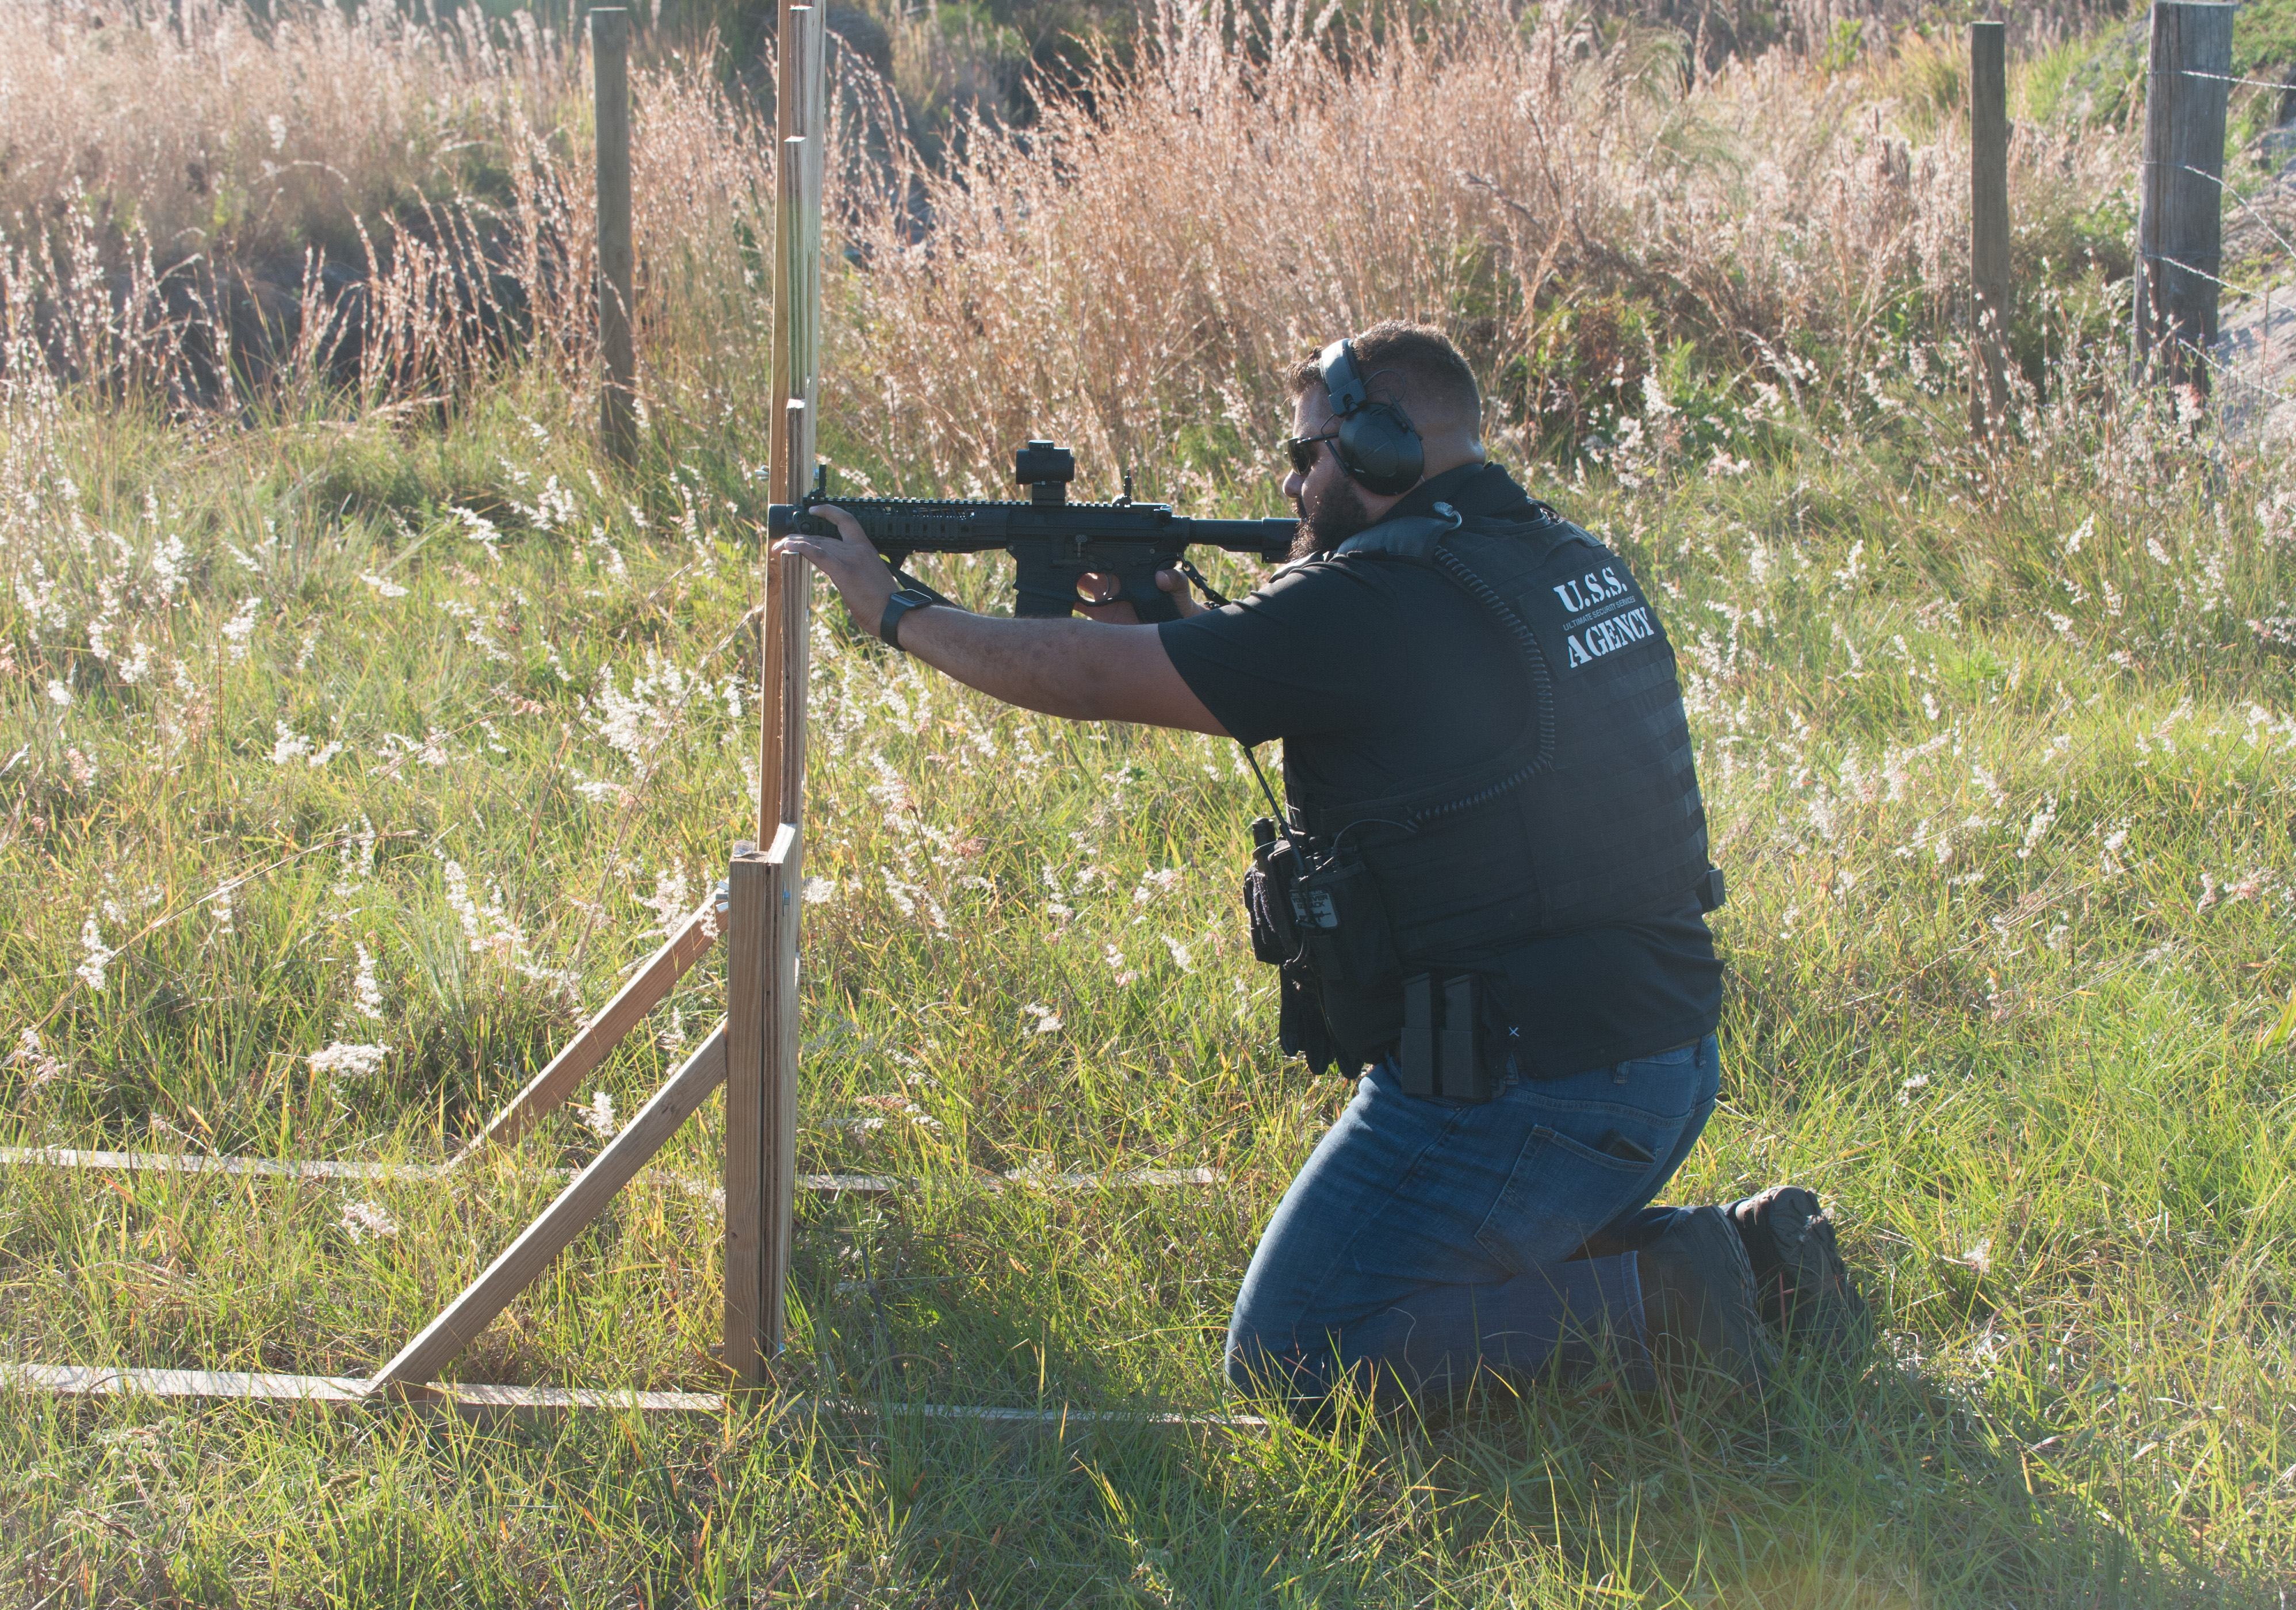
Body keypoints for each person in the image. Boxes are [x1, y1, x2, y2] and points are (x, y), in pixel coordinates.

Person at [777, 322, 1868, 1421]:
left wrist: (896, 609)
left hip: (1534, 1086)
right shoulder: (1557, 554)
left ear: (1383, 447)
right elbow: (1388, 704)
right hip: (1655, 1057)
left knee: (1298, 1350)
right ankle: (1755, 1263)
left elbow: (1092, 678)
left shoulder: (1374, 602)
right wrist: (1194, 631)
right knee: (1405, 1286)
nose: (1294, 484)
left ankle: (1671, 1304)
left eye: (1308, 455)